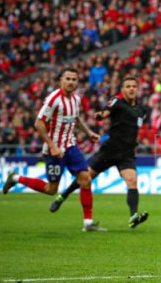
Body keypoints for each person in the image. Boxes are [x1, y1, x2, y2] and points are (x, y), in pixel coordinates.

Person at [3, 67, 105, 232]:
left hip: (71, 146)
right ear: (61, 81)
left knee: (86, 179)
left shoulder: (76, 100)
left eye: (74, 79)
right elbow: (39, 123)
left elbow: (76, 119)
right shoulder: (53, 99)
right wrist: (52, 145)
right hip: (54, 150)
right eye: (68, 79)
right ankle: (15, 178)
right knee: (51, 189)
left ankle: (88, 223)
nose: (71, 82)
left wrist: (89, 132)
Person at [50, 76, 149, 228]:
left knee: (132, 180)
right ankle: (62, 196)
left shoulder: (142, 110)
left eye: (134, 86)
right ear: (123, 89)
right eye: (128, 86)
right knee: (86, 177)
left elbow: (134, 130)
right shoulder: (117, 102)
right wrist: (100, 116)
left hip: (127, 154)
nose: (131, 89)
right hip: (110, 151)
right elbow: (106, 112)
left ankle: (133, 216)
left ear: (137, 89)